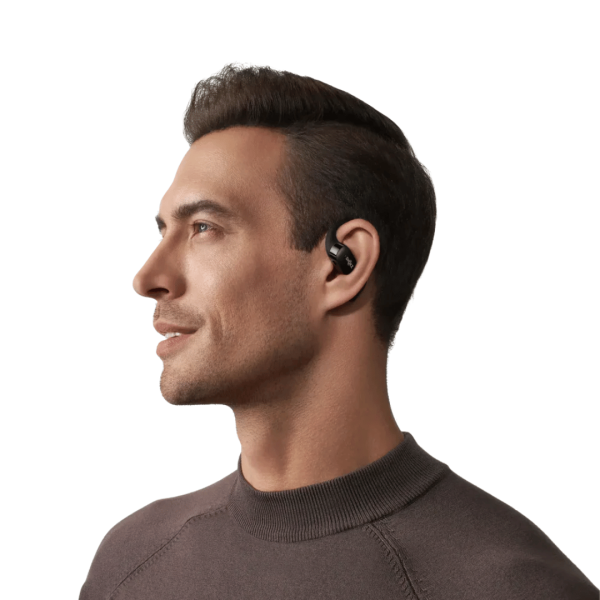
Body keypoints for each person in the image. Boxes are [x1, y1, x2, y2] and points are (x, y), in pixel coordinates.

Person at [79, 64, 597, 600]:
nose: (148, 277)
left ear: (342, 263)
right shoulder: (131, 561)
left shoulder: (513, 587)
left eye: (204, 228)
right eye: (164, 231)